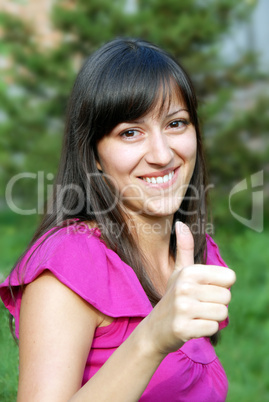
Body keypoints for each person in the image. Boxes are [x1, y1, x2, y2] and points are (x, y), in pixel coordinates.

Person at [0, 38, 236, 401]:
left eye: (176, 124)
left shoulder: (190, 252)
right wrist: (152, 337)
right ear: (93, 153)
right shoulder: (70, 265)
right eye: (130, 132)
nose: (162, 154)